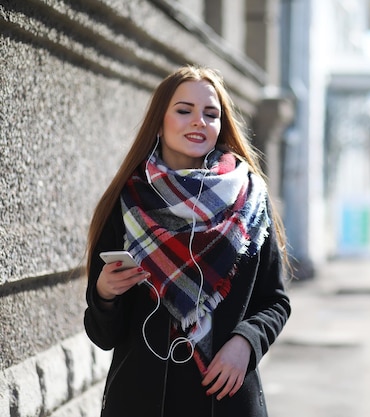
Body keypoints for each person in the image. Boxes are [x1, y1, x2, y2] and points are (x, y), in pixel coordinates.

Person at [83, 65, 291, 417]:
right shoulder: (127, 201)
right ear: (159, 121)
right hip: (139, 403)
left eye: (211, 114)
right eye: (184, 110)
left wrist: (246, 342)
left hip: (226, 400)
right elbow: (104, 335)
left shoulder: (250, 200)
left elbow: (274, 301)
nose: (199, 121)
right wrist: (105, 294)